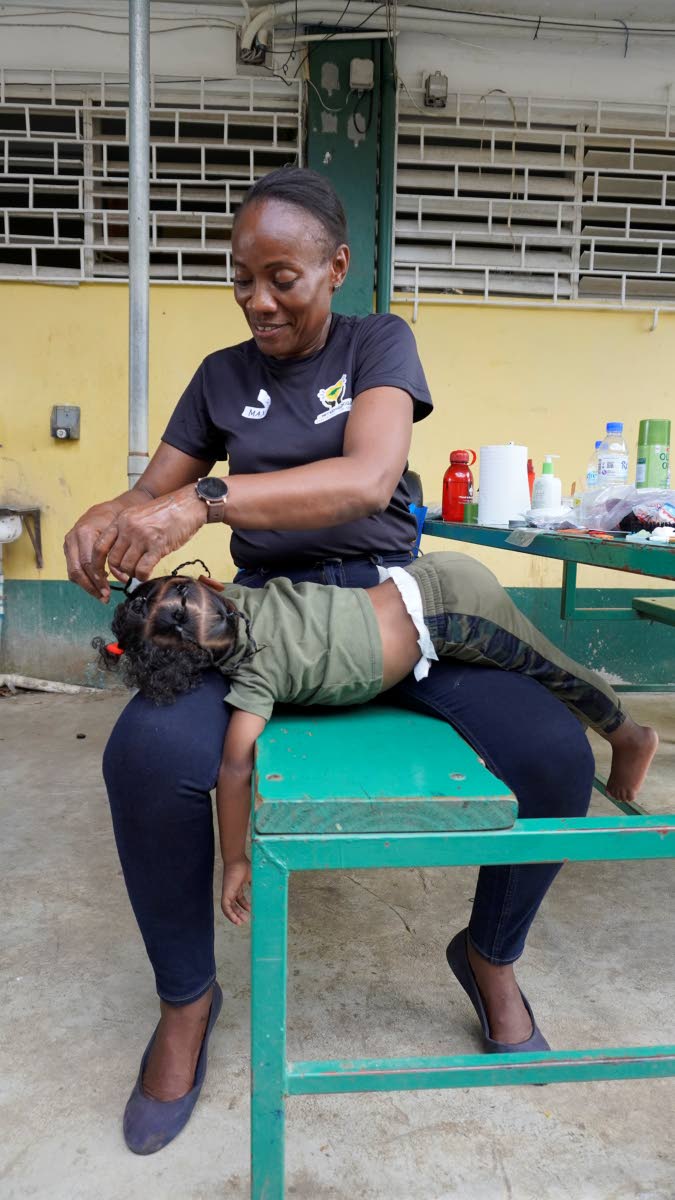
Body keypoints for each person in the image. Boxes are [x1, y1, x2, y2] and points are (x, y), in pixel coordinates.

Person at [64, 166, 609, 1155]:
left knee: (553, 757)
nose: (259, 300)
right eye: (241, 279)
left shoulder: (377, 344)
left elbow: (365, 480)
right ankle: (187, 1000)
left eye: (283, 277)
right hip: (263, 624)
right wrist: (107, 520)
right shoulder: (221, 377)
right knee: (145, 757)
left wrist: (210, 501)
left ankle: (489, 955)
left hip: (394, 617)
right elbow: (154, 490)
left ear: (336, 267)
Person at [96, 557, 657, 926]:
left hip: (451, 611)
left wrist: (236, 858)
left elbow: (235, 771)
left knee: (550, 669)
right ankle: (613, 727)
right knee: (540, 670)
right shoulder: (250, 600)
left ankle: (628, 734)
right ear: (215, 587)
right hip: (425, 592)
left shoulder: (254, 675)